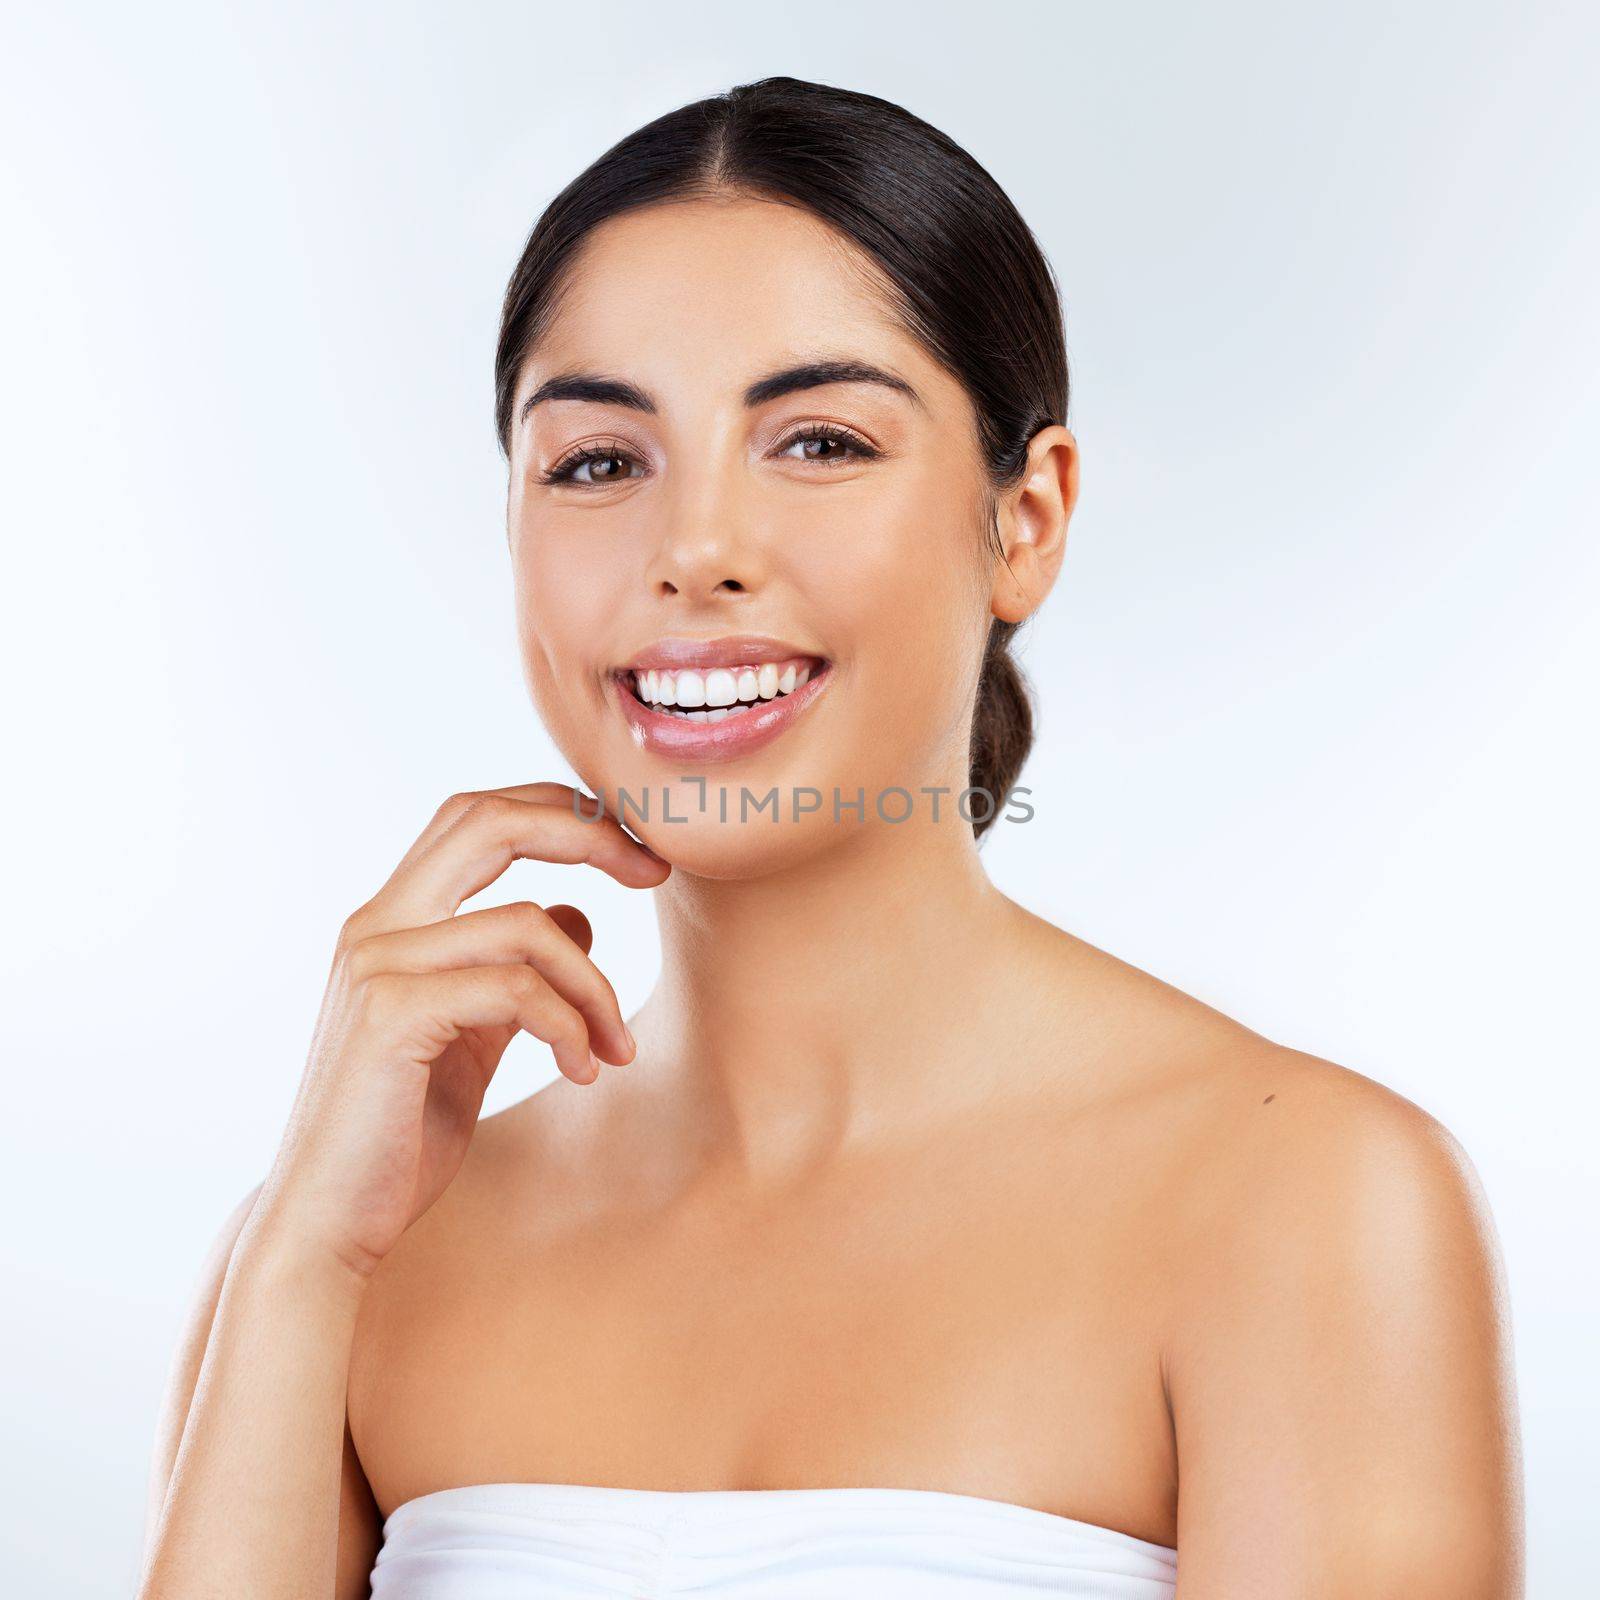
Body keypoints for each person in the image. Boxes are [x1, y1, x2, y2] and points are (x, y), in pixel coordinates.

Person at [136, 76, 1523, 1599]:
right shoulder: (345, 1249)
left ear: (1029, 518)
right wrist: (294, 1271)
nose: (697, 553)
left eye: (818, 442)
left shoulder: (1308, 1208)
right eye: (600, 460)